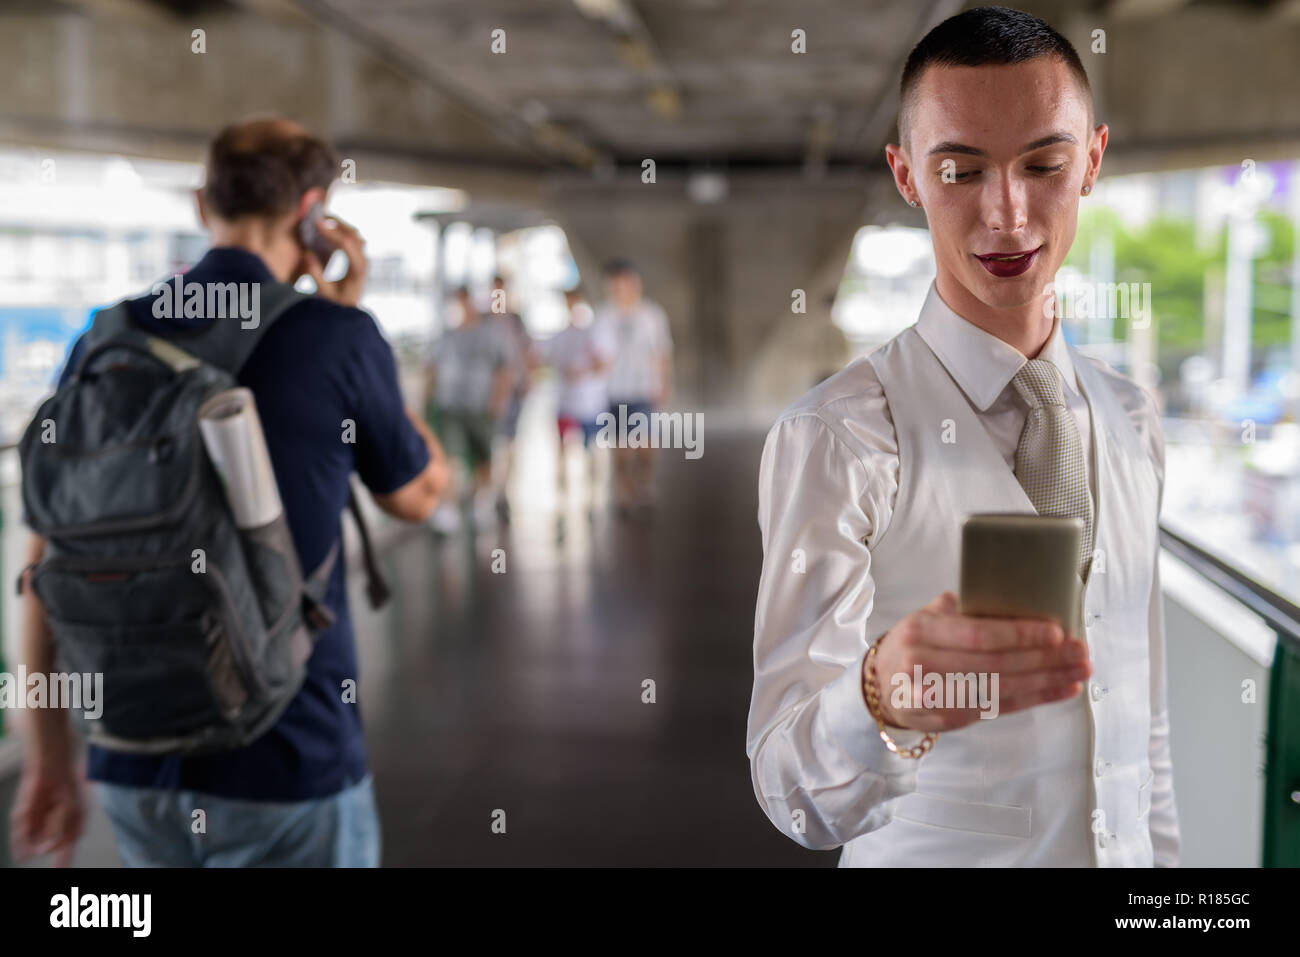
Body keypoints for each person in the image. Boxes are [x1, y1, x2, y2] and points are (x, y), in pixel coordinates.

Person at [747, 6, 1180, 867]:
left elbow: (1146, 730)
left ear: (1091, 159)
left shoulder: (1132, 419)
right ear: (907, 176)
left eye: (1045, 164)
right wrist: (878, 696)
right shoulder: (838, 437)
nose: (1008, 213)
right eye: (961, 170)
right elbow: (787, 783)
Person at [9, 116, 450, 867]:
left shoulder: (103, 340)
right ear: (313, 213)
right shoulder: (336, 335)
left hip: (129, 757)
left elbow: (42, 567)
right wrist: (352, 330)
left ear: (198, 203)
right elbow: (421, 493)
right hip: (287, 753)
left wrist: (49, 755)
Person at [424, 285, 518, 531]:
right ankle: (448, 509)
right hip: (451, 406)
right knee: (452, 457)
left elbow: (505, 370)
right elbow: (432, 370)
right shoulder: (447, 336)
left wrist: (499, 400)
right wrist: (428, 400)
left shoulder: (491, 334)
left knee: (484, 460)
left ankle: (480, 505)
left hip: (481, 407)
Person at [591, 259, 674, 514]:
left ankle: (645, 486)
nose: (617, 289)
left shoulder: (652, 315)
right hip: (615, 391)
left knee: (647, 445)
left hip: (644, 389)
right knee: (622, 449)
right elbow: (600, 356)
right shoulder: (604, 316)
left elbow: (662, 352)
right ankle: (625, 494)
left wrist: (664, 384)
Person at [545, 287, 607, 518]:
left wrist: (583, 370)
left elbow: (603, 364)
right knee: (561, 449)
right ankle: (563, 498)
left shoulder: (594, 333)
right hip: (565, 402)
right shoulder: (559, 336)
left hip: (590, 403)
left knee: (591, 450)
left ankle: (591, 496)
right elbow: (542, 359)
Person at [489, 274, 537, 524]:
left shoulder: (516, 320)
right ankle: (493, 489)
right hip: (488, 393)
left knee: (508, 442)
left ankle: (502, 491)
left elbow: (527, 351)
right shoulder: (484, 321)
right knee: (493, 443)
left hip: (514, 391)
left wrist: (527, 378)